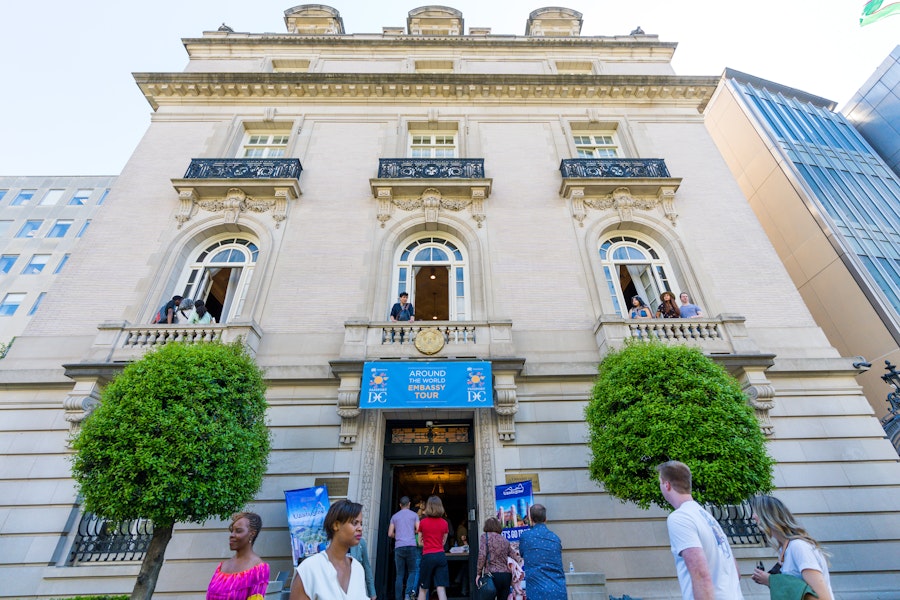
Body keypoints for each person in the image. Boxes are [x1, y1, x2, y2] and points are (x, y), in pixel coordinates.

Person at [656, 460, 743, 600]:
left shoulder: (680, 518)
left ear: (666, 485)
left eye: (660, 482)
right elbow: (736, 572)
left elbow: (700, 574)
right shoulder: (709, 518)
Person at [749, 495, 834, 600]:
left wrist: (771, 580)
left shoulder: (799, 547)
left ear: (768, 517)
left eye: (756, 512)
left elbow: (824, 597)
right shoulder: (785, 549)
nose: (753, 516)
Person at [290, 499, 369, 600]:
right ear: (336, 525)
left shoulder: (358, 569)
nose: (360, 528)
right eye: (355, 523)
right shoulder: (309, 569)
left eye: (361, 524)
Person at [206, 511, 270, 600]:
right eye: (232, 531)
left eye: (238, 531)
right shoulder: (222, 566)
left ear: (252, 534)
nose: (232, 535)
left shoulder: (259, 569)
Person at [518, 504, 567, 600]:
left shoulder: (526, 537)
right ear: (545, 519)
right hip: (558, 591)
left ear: (531, 519)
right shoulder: (555, 538)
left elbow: (522, 553)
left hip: (536, 592)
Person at [475, 517, 519, 600]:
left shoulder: (485, 537)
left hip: (492, 575)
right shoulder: (505, 540)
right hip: (506, 576)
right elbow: (515, 557)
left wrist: (478, 573)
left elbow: (482, 555)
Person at [416, 495, 449, 600]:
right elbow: (443, 542)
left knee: (423, 588)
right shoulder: (444, 523)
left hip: (427, 555)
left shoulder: (423, 522)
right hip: (440, 555)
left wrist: (427, 543)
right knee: (441, 588)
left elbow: (419, 542)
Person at [388, 496, 420, 600]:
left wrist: (397, 536)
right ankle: (407, 595)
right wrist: (412, 532)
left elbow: (390, 533)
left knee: (399, 574)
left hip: (399, 547)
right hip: (411, 546)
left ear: (400, 505)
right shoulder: (414, 515)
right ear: (409, 504)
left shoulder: (395, 516)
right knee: (412, 571)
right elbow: (419, 529)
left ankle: (398, 598)